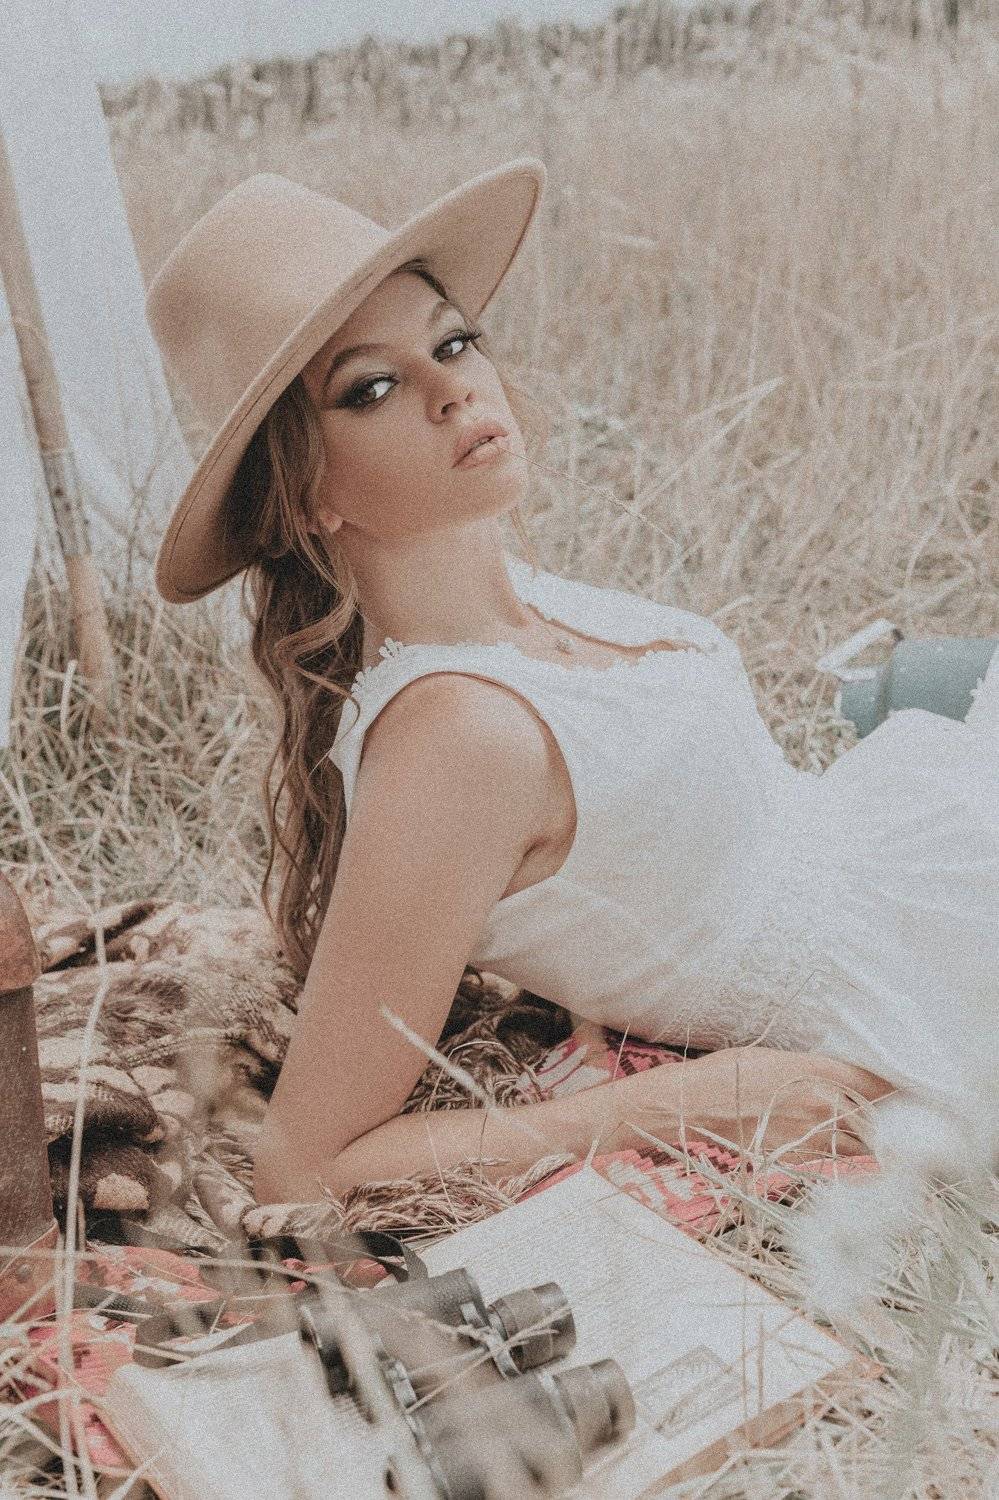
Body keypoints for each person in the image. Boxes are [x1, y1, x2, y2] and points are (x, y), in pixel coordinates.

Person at [144, 161, 997, 1209]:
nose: (453, 390)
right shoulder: (453, 735)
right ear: (304, 493)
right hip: (926, 993)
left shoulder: (534, 607)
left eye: (451, 343)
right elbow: (306, 1164)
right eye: (372, 388)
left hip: (926, 854)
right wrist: (686, 1101)